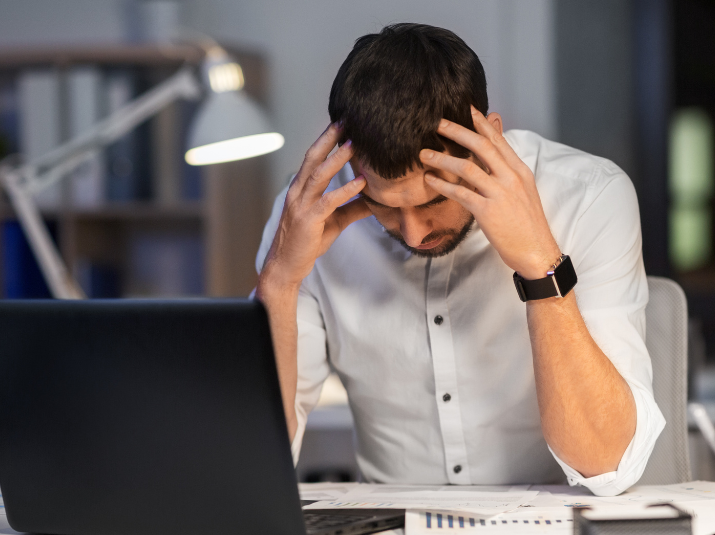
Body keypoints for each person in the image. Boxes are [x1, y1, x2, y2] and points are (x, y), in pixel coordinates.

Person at [254, 23, 664, 497]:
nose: (412, 232)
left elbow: (607, 463)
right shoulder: (305, 218)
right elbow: (257, 458)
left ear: (488, 139)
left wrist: (540, 265)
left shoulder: (588, 197)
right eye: (383, 205)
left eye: (433, 201)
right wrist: (280, 282)